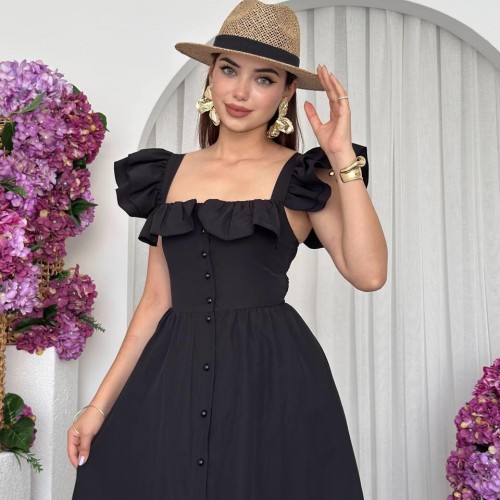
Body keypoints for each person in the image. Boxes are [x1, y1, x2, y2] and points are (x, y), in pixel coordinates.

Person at [68, 0, 387, 498]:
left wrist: (343, 157)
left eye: (264, 78)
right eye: (229, 69)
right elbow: (156, 301)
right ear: (210, 75)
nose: (240, 92)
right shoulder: (166, 174)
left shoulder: (304, 176)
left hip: (271, 379)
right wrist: (98, 407)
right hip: (173, 372)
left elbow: (369, 274)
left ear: (286, 92)